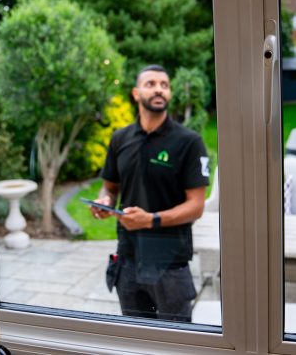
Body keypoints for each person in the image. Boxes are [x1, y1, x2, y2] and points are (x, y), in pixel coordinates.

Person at [90, 64, 210, 322]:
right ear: (136, 93)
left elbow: (196, 206)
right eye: (151, 84)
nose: (159, 89)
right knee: (136, 340)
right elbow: (110, 187)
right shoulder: (120, 138)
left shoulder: (188, 141)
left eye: (164, 85)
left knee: (177, 343)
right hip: (128, 258)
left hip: (169, 263)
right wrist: (104, 202)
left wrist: (151, 219)